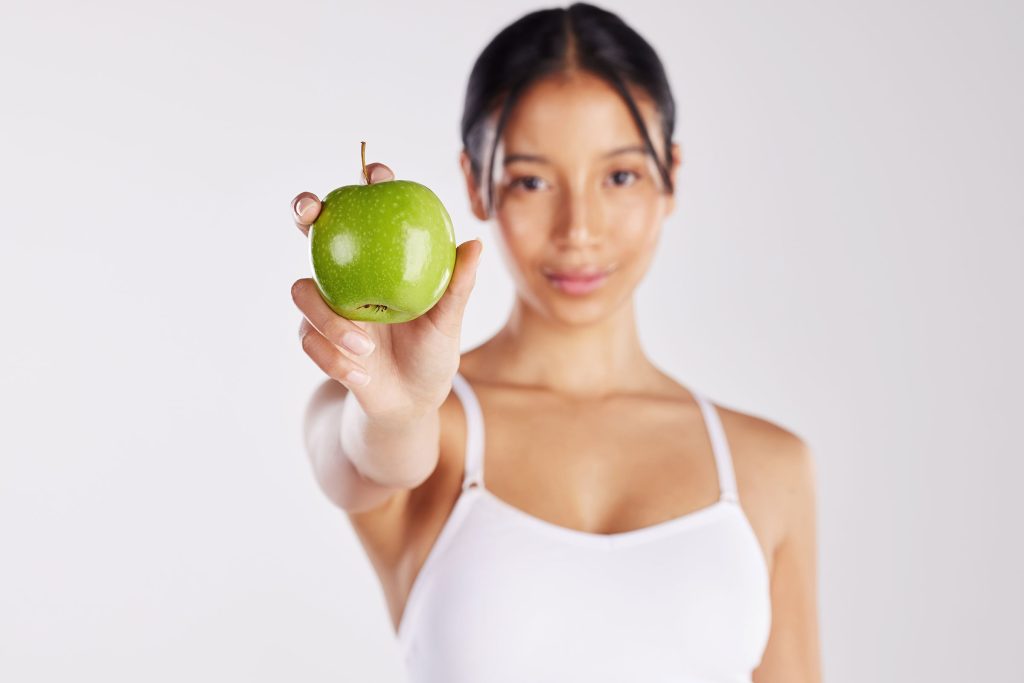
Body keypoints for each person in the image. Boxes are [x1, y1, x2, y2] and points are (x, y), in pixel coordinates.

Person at [290, 3, 821, 681]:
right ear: (476, 183)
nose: (579, 228)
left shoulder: (769, 466)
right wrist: (398, 411)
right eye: (533, 180)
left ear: (671, 176)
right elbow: (371, 457)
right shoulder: (430, 427)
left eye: (620, 175)